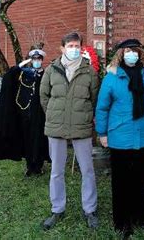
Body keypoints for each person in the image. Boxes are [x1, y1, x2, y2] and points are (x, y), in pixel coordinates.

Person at [95, 39, 144, 236]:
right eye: (128, 51)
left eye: (135, 51)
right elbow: (102, 106)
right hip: (120, 135)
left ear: (140, 53)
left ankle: (139, 216)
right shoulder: (112, 76)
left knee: (141, 179)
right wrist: (102, 133)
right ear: (121, 54)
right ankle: (122, 221)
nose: (131, 54)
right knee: (121, 181)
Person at [39, 32, 100, 230]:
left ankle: (89, 209)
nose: (74, 49)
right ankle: (58, 208)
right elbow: (44, 96)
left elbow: (94, 98)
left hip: (81, 127)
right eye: (70, 46)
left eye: (77, 46)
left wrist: (82, 115)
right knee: (57, 171)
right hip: (56, 126)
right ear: (62, 48)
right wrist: (54, 114)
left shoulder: (89, 71)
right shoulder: (51, 70)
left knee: (87, 170)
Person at [0, 48, 49, 177]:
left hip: (40, 114)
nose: (36, 61)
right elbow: (8, 78)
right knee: (27, 139)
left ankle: (38, 166)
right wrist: (19, 66)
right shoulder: (24, 74)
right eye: (34, 59)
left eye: (39, 59)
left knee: (39, 140)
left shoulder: (46, 74)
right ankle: (29, 166)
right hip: (25, 113)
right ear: (31, 61)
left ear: (42, 60)